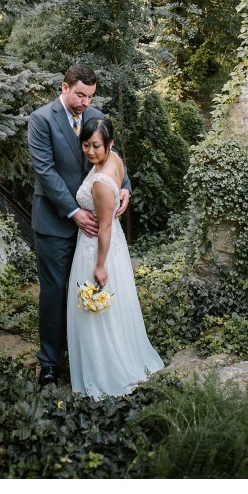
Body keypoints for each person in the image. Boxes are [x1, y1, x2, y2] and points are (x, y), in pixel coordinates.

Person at [27, 63, 130, 387]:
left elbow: (111, 155)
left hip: (92, 229)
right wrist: (73, 211)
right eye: (81, 95)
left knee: (88, 289)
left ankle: (86, 354)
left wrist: (125, 186)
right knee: (55, 293)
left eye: (90, 96)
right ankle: (49, 362)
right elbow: (46, 171)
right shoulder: (41, 120)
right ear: (65, 87)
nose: (86, 103)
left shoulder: (94, 116)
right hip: (56, 222)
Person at [66, 116, 163, 399]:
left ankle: (105, 372)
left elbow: (104, 227)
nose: (90, 152)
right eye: (85, 145)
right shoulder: (115, 160)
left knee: (96, 311)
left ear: (110, 144)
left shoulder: (100, 183)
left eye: (96, 146)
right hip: (111, 245)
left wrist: (99, 265)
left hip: (98, 249)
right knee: (112, 310)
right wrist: (124, 190)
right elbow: (120, 185)